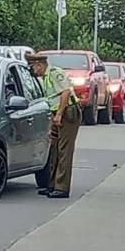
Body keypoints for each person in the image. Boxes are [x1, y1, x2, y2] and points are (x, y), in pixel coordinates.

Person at [25, 53, 81, 199]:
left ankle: (62, 188)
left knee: (64, 150)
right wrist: (52, 124)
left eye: (32, 67)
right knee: (54, 149)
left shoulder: (55, 73)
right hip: (58, 113)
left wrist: (59, 114)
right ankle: (52, 185)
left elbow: (66, 92)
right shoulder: (45, 78)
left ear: (39, 65)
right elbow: (52, 102)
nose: (32, 71)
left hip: (68, 112)